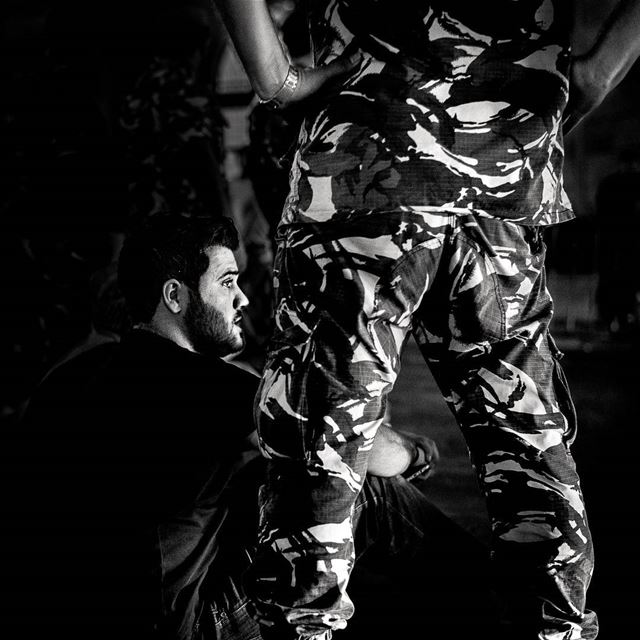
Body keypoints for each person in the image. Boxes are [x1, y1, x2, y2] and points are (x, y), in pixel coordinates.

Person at [211, 1, 640, 638]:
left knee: (322, 448)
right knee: (527, 447)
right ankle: (556, 627)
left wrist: (278, 81)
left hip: (367, 162)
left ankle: (305, 628)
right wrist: (592, 76)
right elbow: (599, 70)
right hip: (501, 172)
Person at [3, 214, 495, 640]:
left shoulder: (73, 376)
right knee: (359, 488)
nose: (242, 299)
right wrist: (417, 453)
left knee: (266, 480)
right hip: (187, 628)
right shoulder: (204, 385)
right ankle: (508, 603)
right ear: (174, 296)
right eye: (226, 282)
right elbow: (348, 438)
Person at [594, 147, 640, 338]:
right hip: (620, 240)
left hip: (619, 240)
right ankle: (617, 318)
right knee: (618, 279)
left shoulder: (611, 184)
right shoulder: (614, 184)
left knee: (619, 279)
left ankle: (618, 318)